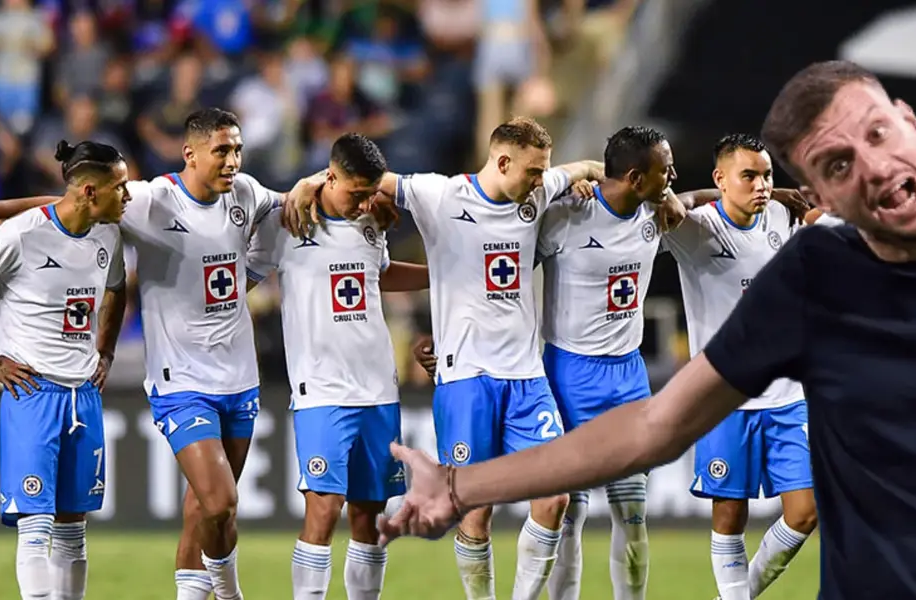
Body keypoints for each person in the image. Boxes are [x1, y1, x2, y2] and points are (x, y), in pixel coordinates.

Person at [377, 60, 916, 599]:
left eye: (875, 134)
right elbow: (657, 426)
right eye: (833, 165)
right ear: (815, 187)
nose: (866, 167)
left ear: (909, 121)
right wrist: (460, 485)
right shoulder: (810, 275)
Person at [0, 109, 326, 600]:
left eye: (237, 150)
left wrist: (317, 179)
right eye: (222, 150)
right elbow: (68, 202)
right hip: (160, 379)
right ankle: (230, 594)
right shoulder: (146, 202)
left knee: (200, 511)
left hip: (218, 377)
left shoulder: (240, 195)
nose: (233, 160)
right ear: (190, 153)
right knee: (218, 499)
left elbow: (289, 201)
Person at [288, 116, 603, 600]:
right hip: (466, 382)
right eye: (534, 172)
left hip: (527, 376)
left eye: (544, 173)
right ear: (502, 161)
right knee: (474, 513)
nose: (542, 182)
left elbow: (582, 167)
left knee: (556, 496)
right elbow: (363, 176)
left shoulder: (537, 194)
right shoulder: (440, 195)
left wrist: (593, 177)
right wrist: (310, 182)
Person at [245, 133, 425, 600]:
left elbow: (378, 275)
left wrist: (439, 276)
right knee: (323, 511)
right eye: (356, 191)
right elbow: (239, 279)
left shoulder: (372, 223)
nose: (364, 202)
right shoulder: (288, 222)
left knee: (369, 516)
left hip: (378, 390)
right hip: (322, 392)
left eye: (370, 193)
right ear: (330, 176)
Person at [661, 133, 816, 600]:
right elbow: (663, 205)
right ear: (720, 179)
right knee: (729, 518)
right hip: (724, 399)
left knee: (805, 512)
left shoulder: (781, 216)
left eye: (767, 175)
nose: (762, 185)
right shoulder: (698, 230)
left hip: (788, 395)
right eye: (748, 176)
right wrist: (712, 196)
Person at [536, 125, 676, 600]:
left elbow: (706, 202)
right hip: (569, 376)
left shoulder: (656, 212)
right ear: (636, 176)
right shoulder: (565, 216)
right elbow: (502, 257)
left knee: (632, 517)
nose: (673, 175)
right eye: (665, 169)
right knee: (567, 516)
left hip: (628, 378)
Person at [0, 140, 129, 599]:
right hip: (33, 393)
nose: (128, 195)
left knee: (73, 530)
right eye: (120, 187)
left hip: (83, 395)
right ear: (89, 191)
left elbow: (117, 289)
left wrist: (104, 352)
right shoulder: (22, 234)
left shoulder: (108, 233)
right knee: (36, 525)